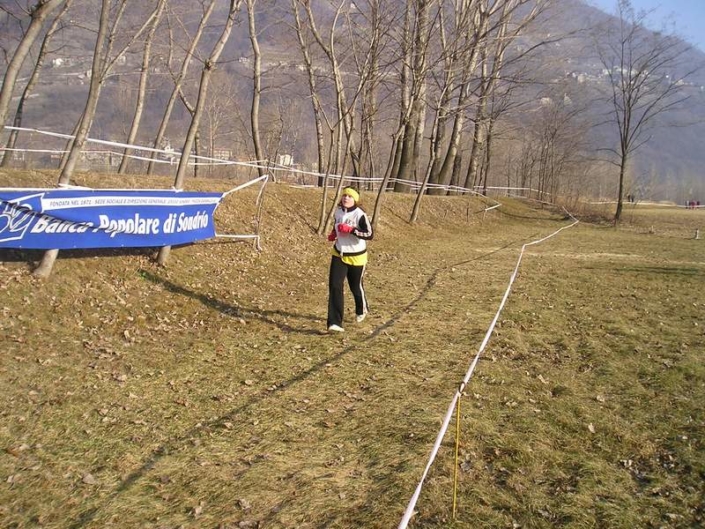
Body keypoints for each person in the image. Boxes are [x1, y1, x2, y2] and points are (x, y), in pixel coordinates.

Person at [326, 186, 373, 333]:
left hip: (357, 256)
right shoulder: (338, 212)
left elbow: (369, 234)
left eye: (350, 196)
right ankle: (335, 323)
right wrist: (334, 234)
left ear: (355, 200)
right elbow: (337, 225)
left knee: (355, 286)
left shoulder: (360, 214)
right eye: (344, 195)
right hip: (339, 253)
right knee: (335, 286)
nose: (346, 198)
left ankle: (361, 309)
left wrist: (352, 230)